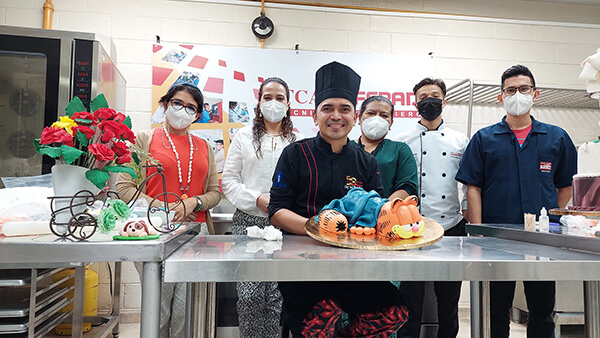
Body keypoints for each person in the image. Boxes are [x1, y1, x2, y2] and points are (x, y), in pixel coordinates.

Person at [269, 61, 408, 337]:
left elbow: (375, 210)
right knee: (323, 315)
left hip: (352, 264)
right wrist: (316, 225)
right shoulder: (295, 155)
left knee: (395, 311)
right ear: (314, 115)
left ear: (354, 117)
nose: (336, 116)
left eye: (344, 109)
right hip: (302, 263)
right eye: (327, 108)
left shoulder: (365, 161)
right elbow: (276, 211)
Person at [456, 65, 577, 338]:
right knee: (495, 310)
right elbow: (472, 187)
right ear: (501, 97)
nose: (517, 94)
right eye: (511, 90)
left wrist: (550, 220)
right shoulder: (484, 139)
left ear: (535, 94)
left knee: (543, 310)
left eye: (524, 89)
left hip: (543, 239)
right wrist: (479, 234)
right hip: (497, 239)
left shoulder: (556, 137)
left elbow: (565, 185)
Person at [115, 78, 221, 338]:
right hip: (156, 233)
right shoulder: (144, 139)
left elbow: (215, 193)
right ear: (164, 104)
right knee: (158, 312)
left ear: (197, 115)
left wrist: (193, 202)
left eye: (191, 108)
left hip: (197, 237)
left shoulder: (205, 146)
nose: (183, 111)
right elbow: (124, 188)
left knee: (188, 314)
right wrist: (164, 206)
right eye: (177, 103)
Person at [222, 77, 302, 338]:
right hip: (248, 222)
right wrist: (256, 198)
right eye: (268, 97)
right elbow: (229, 180)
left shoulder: (298, 141)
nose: (273, 103)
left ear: (288, 104)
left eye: (280, 98)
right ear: (258, 103)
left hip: (285, 224)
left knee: (279, 296)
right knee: (250, 296)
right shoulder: (243, 137)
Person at [396, 78, 470, 338]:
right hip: (411, 227)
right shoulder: (402, 141)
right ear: (415, 103)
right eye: (423, 96)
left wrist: (466, 211)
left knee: (448, 299)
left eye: (435, 95)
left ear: (444, 101)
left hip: (450, 225)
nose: (429, 101)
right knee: (410, 297)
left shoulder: (460, 141)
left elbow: (468, 183)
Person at [355, 95, 418, 199]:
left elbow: (408, 186)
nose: (377, 119)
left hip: (387, 212)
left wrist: (381, 209)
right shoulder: (346, 148)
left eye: (384, 115)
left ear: (391, 123)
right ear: (360, 118)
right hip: (346, 213)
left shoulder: (399, 150)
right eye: (371, 113)